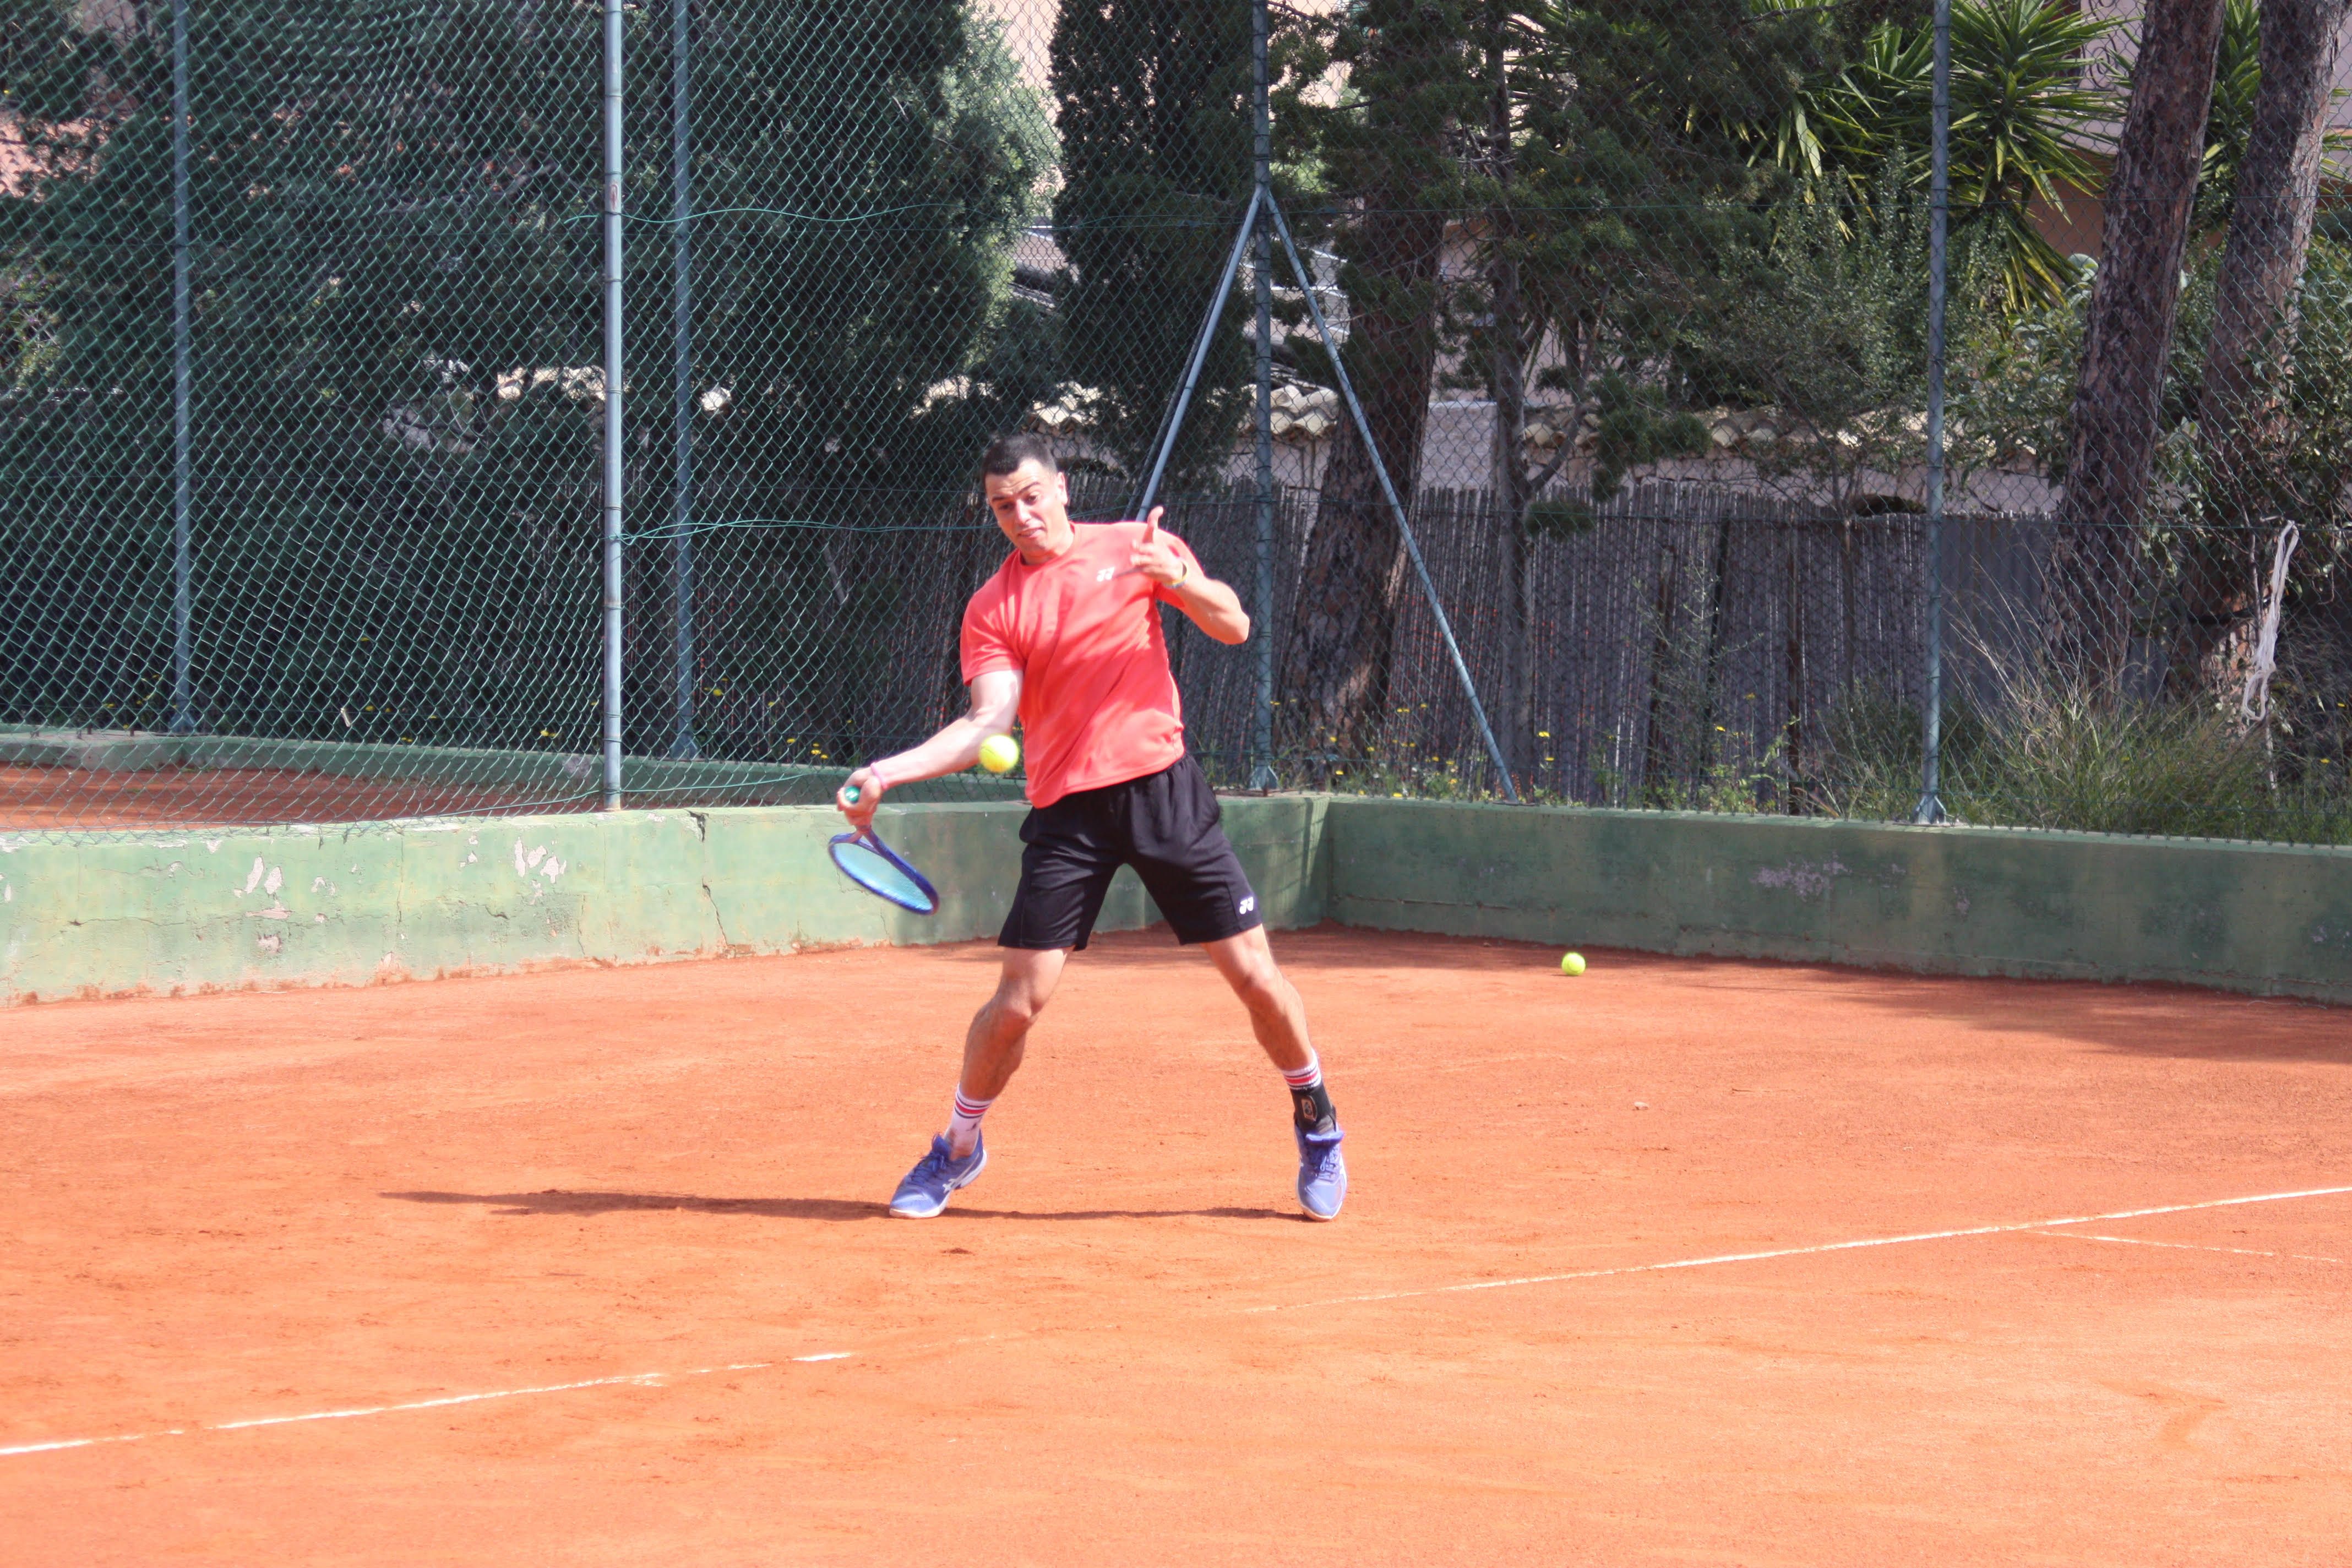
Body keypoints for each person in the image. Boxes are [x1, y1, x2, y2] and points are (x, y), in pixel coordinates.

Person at [835, 432, 1346, 1222]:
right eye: (1003, 506)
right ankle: (959, 1148)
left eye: (1031, 496)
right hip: (1069, 811)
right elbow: (986, 723)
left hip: (1162, 789)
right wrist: (886, 773)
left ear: (1063, 488)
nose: (1020, 515)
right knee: (1015, 1003)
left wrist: (1182, 581)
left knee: (1255, 981)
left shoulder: (1138, 547)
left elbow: (1235, 625)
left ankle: (1316, 1119)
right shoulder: (994, 607)